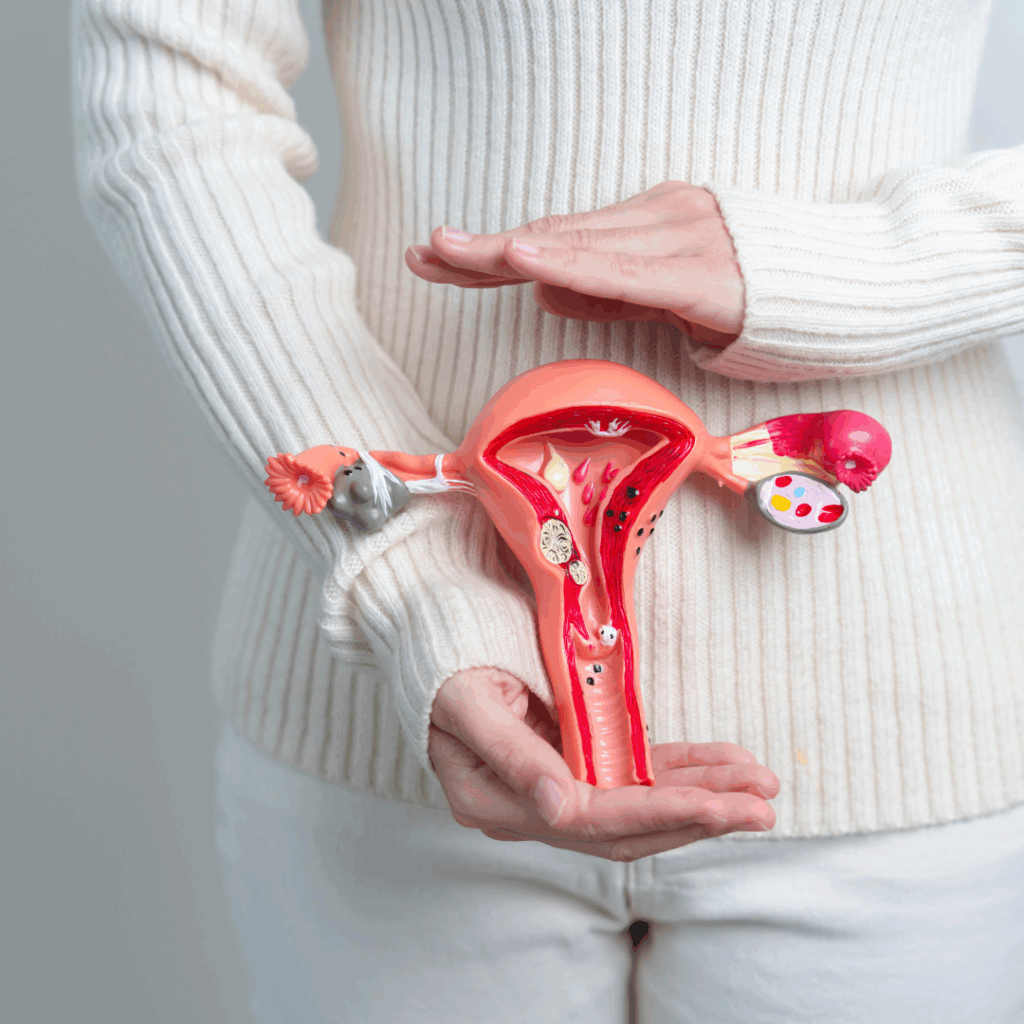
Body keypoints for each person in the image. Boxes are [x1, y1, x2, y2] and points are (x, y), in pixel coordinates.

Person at [73, 0, 1024, 1020]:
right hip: (389, 724)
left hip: (905, 723)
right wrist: (417, 588)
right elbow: (168, 92)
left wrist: (840, 268)